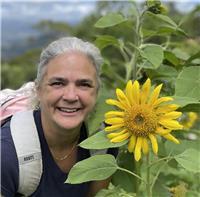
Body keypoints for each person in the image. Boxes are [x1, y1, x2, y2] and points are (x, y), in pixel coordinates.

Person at [1, 37, 118, 197]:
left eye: (84, 84)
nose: (70, 96)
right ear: (39, 90)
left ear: (96, 92)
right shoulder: (7, 155)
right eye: (58, 83)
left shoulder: (103, 143)